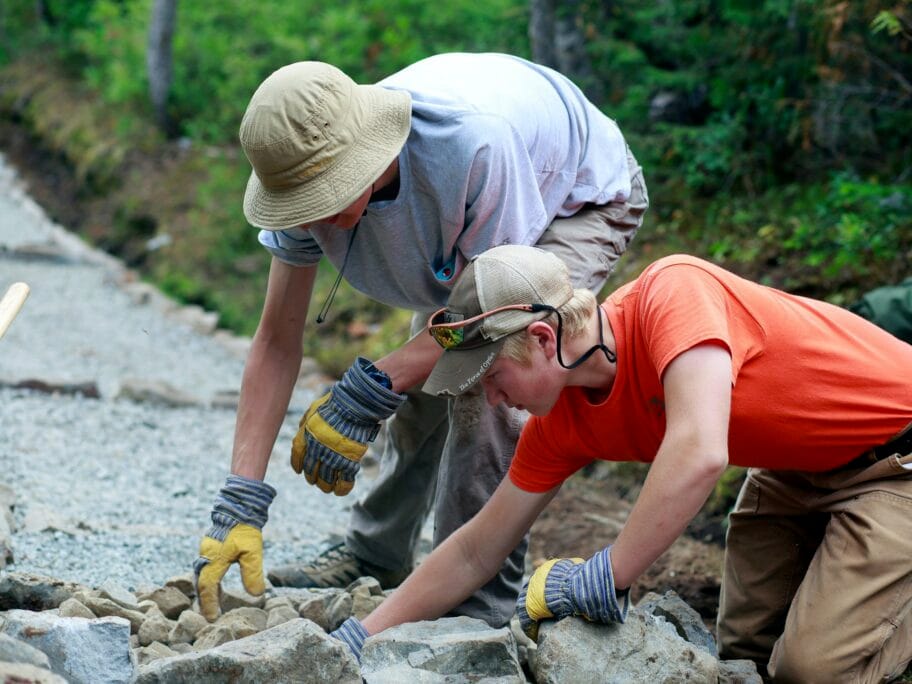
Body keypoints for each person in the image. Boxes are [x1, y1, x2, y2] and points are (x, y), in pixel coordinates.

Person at [192, 53, 649, 627]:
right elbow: (277, 341)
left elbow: (496, 319)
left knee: (490, 386)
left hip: (575, 195)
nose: (309, 222)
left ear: (368, 158)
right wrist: (240, 502)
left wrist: (369, 387)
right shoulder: (298, 169)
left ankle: (475, 609)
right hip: (475, 233)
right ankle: (375, 555)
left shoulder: (472, 149)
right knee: (419, 394)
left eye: (323, 201)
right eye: (298, 207)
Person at [331, 245, 912, 683]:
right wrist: (359, 637)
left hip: (897, 455)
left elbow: (700, 450)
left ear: (542, 339)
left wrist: (607, 574)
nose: (490, 397)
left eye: (492, 375)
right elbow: (475, 550)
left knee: (811, 672)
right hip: (793, 469)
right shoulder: (562, 422)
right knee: (744, 659)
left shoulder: (674, 293)